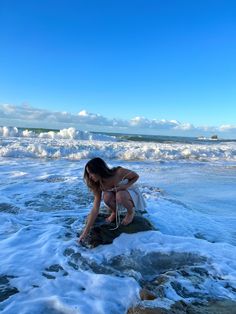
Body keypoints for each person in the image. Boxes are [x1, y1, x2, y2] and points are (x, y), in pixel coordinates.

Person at [78, 157, 146, 243]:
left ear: (99, 170)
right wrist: (85, 232)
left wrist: (125, 186)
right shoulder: (98, 184)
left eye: (91, 173)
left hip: (129, 193)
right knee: (106, 197)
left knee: (120, 195)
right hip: (117, 196)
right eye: (88, 174)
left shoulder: (119, 172)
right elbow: (95, 208)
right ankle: (115, 212)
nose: (90, 177)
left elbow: (136, 176)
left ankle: (130, 212)